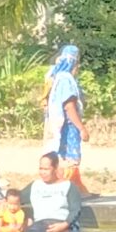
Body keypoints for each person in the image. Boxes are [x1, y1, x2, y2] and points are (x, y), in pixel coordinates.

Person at [43, 44, 85, 183]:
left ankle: (77, 189)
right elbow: (69, 106)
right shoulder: (66, 80)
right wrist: (81, 128)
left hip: (56, 125)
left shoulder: (56, 76)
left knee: (60, 159)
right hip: (67, 128)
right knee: (69, 160)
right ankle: (66, 188)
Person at [25, 151, 86, 232]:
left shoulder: (68, 186)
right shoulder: (35, 185)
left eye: (46, 169)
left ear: (55, 168)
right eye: (41, 169)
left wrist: (65, 225)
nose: (43, 172)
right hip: (40, 226)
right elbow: (15, 198)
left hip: (63, 225)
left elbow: (75, 210)